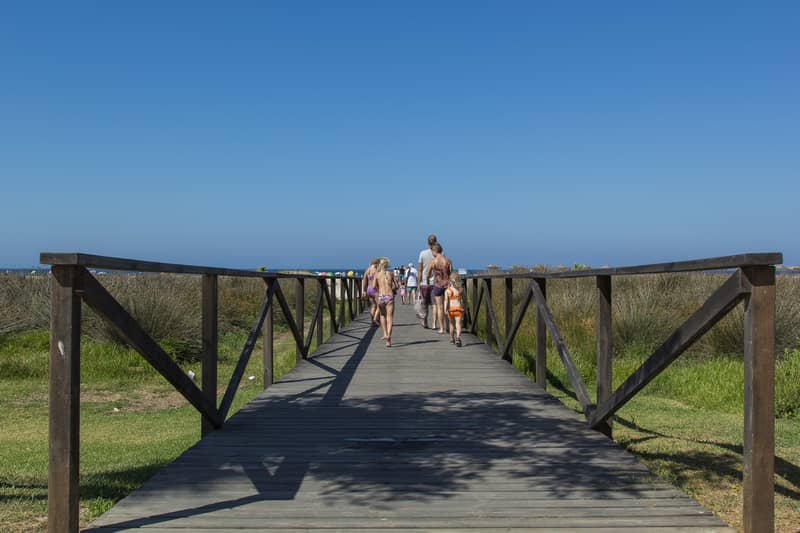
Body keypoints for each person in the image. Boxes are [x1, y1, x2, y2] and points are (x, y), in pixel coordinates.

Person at [425, 243, 452, 334]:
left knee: (440, 307)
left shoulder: (433, 261)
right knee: (448, 307)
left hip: (438, 285)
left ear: (435, 251)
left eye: (432, 251)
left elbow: (427, 274)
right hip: (447, 285)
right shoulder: (448, 261)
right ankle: (448, 327)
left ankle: (441, 328)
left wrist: (428, 280)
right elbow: (451, 273)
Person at [374, 257, 398, 347]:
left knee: (382, 316)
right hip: (389, 296)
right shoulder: (390, 273)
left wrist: (379, 290)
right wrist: (393, 289)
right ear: (387, 265)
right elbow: (397, 285)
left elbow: (373, 286)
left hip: (381, 297)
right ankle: (389, 339)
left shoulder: (377, 274)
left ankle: (384, 334)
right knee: (390, 317)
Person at [417, 234, 437, 328]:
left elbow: (420, 270)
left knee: (424, 304)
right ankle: (434, 324)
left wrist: (418, 283)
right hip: (436, 283)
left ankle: (425, 321)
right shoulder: (440, 253)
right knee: (434, 304)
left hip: (424, 283)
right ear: (436, 242)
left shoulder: (422, 253)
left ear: (427, 242)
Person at [445, 272, 464, 347]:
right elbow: (465, 300)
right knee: (458, 324)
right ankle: (458, 338)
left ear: (450, 281)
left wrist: (445, 310)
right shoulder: (461, 290)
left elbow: (446, 301)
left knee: (451, 324)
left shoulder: (447, 291)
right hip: (458, 309)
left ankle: (452, 338)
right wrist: (465, 306)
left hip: (450, 310)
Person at [361, 258, 380, 326]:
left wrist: (363, 290)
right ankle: (375, 319)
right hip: (375, 289)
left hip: (369, 289)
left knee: (373, 305)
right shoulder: (376, 270)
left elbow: (364, 281)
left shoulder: (367, 270)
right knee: (379, 305)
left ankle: (372, 322)